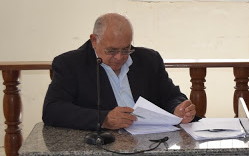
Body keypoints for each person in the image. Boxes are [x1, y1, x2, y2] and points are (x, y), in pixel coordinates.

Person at [43, 13, 196, 131]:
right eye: (112, 50)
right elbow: (52, 110)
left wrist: (179, 109)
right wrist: (103, 119)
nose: (119, 57)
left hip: (151, 141)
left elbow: (171, 96)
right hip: (102, 146)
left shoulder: (149, 60)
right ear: (94, 40)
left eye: (126, 49)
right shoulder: (70, 64)